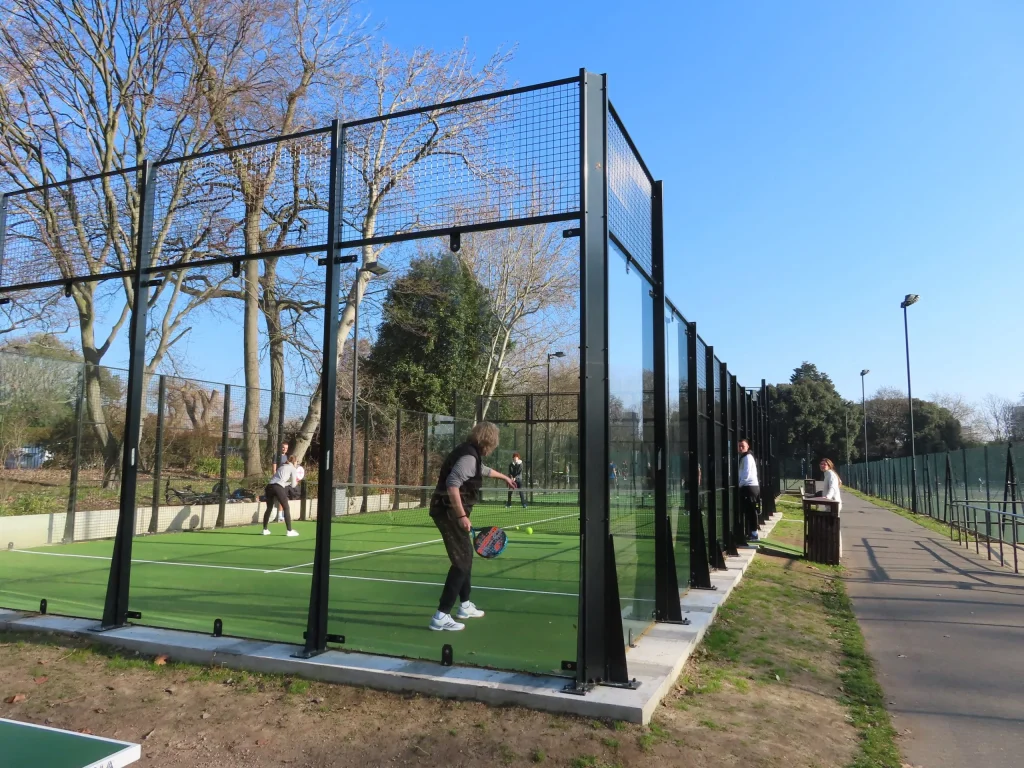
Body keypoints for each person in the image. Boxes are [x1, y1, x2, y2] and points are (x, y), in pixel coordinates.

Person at [428, 422, 516, 632]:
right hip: (448, 513)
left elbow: (481, 470)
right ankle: (441, 615)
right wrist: (461, 515)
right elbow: (452, 485)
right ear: (488, 441)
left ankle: (465, 605)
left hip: (450, 512)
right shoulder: (469, 457)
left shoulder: (469, 454)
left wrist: (504, 477)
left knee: (466, 557)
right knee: (461, 563)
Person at [262, 454, 299, 536]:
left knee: (269, 508)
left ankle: (265, 529)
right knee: (286, 507)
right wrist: (296, 481)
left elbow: (280, 481)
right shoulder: (293, 468)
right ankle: (289, 531)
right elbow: (293, 485)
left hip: (269, 487)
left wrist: (288, 483)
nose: (297, 463)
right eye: (297, 461)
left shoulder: (281, 467)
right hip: (278, 487)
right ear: (294, 462)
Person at [738, 439, 760, 540]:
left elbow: (745, 474)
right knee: (748, 510)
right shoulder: (743, 457)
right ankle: (750, 532)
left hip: (750, 487)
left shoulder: (747, 457)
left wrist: (739, 485)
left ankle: (754, 533)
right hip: (747, 487)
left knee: (751, 510)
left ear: (748, 447)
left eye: (742, 446)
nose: (740, 448)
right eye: (739, 446)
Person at [272, 441, 290, 522]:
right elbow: (274, 469)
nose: (284, 449)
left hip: (284, 480)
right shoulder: (276, 455)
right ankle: (279, 515)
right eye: (283, 447)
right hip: (278, 480)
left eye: (286, 448)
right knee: (280, 497)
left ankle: (281, 514)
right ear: (280, 447)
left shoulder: (286, 457)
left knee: (284, 497)